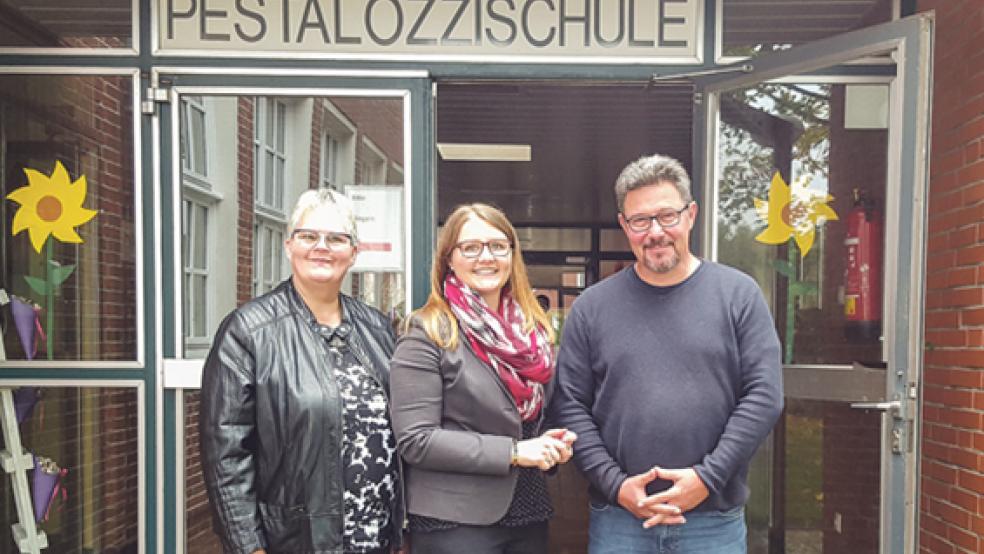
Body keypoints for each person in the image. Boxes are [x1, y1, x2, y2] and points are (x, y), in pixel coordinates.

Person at [549, 154, 783, 553]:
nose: (655, 232)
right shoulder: (592, 307)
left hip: (713, 522)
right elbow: (569, 405)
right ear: (625, 225)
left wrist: (707, 478)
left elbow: (763, 396)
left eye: (667, 216)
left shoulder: (738, 296)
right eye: (640, 220)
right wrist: (616, 485)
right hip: (620, 522)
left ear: (690, 215)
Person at [199, 188, 403, 554]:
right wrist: (248, 546)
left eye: (336, 238)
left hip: (377, 535)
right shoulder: (248, 331)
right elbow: (225, 454)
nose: (321, 246)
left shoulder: (377, 329)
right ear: (289, 245)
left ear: (353, 252)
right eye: (309, 236)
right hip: (296, 541)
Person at [389, 203, 577, 554]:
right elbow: (416, 440)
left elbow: (525, 421)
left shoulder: (530, 333)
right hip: (455, 521)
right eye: (471, 247)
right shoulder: (427, 332)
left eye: (497, 246)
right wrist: (515, 452)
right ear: (449, 259)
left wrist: (546, 441)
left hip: (528, 510)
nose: (485, 257)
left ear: (512, 255)